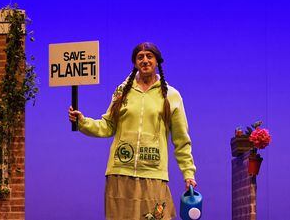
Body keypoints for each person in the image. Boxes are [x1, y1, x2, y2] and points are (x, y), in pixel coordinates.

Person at [68, 42, 197, 220]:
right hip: (120, 173)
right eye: (140, 57)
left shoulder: (171, 95)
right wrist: (82, 122)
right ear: (135, 63)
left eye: (149, 56)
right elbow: (107, 126)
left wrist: (188, 173)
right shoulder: (122, 91)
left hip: (153, 173)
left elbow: (181, 139)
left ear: (157, 61)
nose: (145, 60)